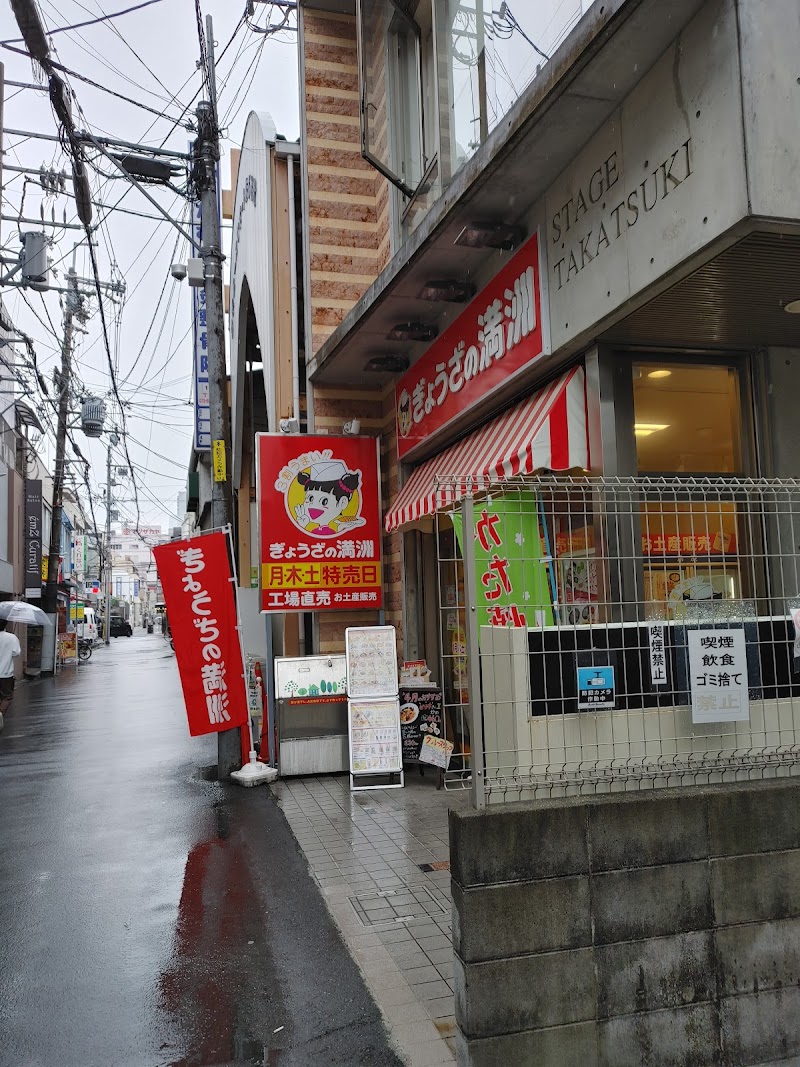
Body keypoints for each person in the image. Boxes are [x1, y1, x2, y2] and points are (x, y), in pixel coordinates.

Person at [0, 619, 21, 727]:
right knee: (6, 696)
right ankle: (0, 714)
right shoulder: (11, 638)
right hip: (6, 674)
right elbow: (16, 653)